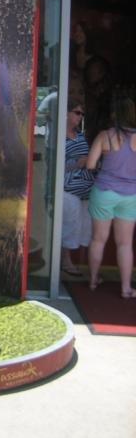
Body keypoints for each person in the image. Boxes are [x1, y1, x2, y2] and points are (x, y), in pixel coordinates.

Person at [86, 96, 136, 298]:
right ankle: (126, 288)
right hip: (131, 195)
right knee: (125, 243)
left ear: (115, 115)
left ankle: (93, 280)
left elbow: (90, 165)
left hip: (104, 192)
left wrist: (106, 165)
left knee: (98, 239)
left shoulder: (104, 136)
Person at [61, 99, 94, 276]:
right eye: (77, 112)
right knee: (70, 225)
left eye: (82, 114)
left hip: (86, 189)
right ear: (65, 113)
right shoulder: (58, 136)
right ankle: (65, 261)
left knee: (84, 226)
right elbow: (54, 165)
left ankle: (75, 262)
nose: (80, 117)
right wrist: (76, 164)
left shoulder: (81, 136)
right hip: (68, 188)